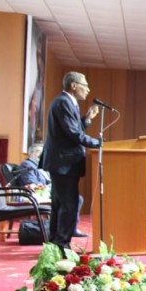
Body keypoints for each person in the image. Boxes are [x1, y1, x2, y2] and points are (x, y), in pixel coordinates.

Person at [42, 71, 101, 250]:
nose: (88, 90)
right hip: (63, 163)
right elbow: (74, 134)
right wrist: (98, 143)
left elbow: (71, 130)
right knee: (69, 205)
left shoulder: (66, 102)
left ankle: (55, 243)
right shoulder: (63, 102)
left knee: (61, 204)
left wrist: (87, 120)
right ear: (73, 85)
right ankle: (62, 244)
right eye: (85, 85)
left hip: (62, 163)